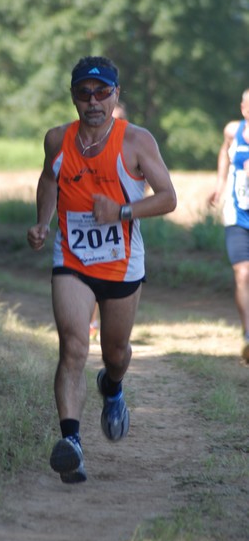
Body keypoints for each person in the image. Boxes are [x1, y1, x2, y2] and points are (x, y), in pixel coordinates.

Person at [27, 56, 177, 484]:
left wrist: (123, 210)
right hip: (71, 259)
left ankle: (112, 387)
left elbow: (168, 198)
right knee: (73, 346)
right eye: (83, 92)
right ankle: (71, 442)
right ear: (73, 96)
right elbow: (49, 179)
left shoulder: (137, 141)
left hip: (122, 263)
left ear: (116, 94)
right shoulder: (57, 139)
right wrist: (43, 221)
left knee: (116, 353)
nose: (92, 101)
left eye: (101, 92)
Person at [208, 89, 249, 362]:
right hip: (237, 214)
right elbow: (224, 153)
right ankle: (248, 334)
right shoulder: (232, 130)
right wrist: (221, 184)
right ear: (243, 107)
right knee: (243, 274)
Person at [89, 100, 128, 341]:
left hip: (123, 229)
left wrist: (125, 210)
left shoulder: (135, 145)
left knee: (113, 279)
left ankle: (111, 328)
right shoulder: (88, 146)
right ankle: (92, 322)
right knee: (91, 274)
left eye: (120, 119)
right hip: (92, 224)